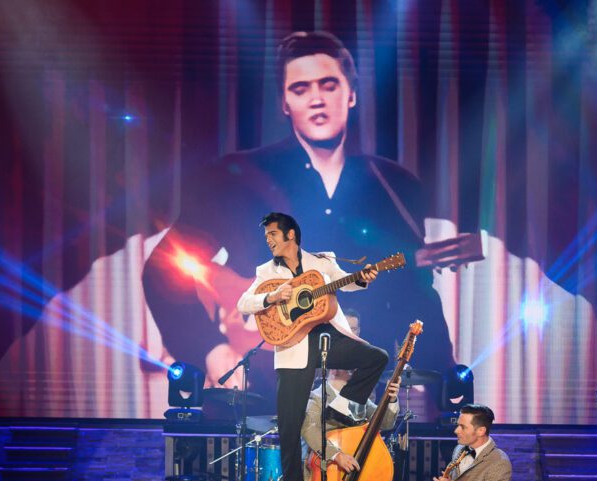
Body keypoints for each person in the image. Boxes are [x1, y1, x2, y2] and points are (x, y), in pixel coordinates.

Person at [142, 30, 456, 386]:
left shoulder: (396, 185)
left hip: (365, 385)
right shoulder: (236, 177)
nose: (317, 99)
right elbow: (162, 269)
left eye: (329, 85)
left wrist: (445, 379)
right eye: (300, 89)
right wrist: (212, 352)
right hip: (264, 383)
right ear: (284, 102)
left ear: (351, 94)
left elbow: (416, 294)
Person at [236, 212, 387, 481]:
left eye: (272, 234)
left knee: (376, 357)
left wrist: (364, 278)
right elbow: (244, 303)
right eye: (266, 236)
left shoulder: (321, 262)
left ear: (290, 234)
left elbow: (346, 281)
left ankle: (342, 406)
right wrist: (272, 297)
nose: (268, 240)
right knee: (290, 420)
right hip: (293, 347)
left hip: (327, 337)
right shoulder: (266, 271)